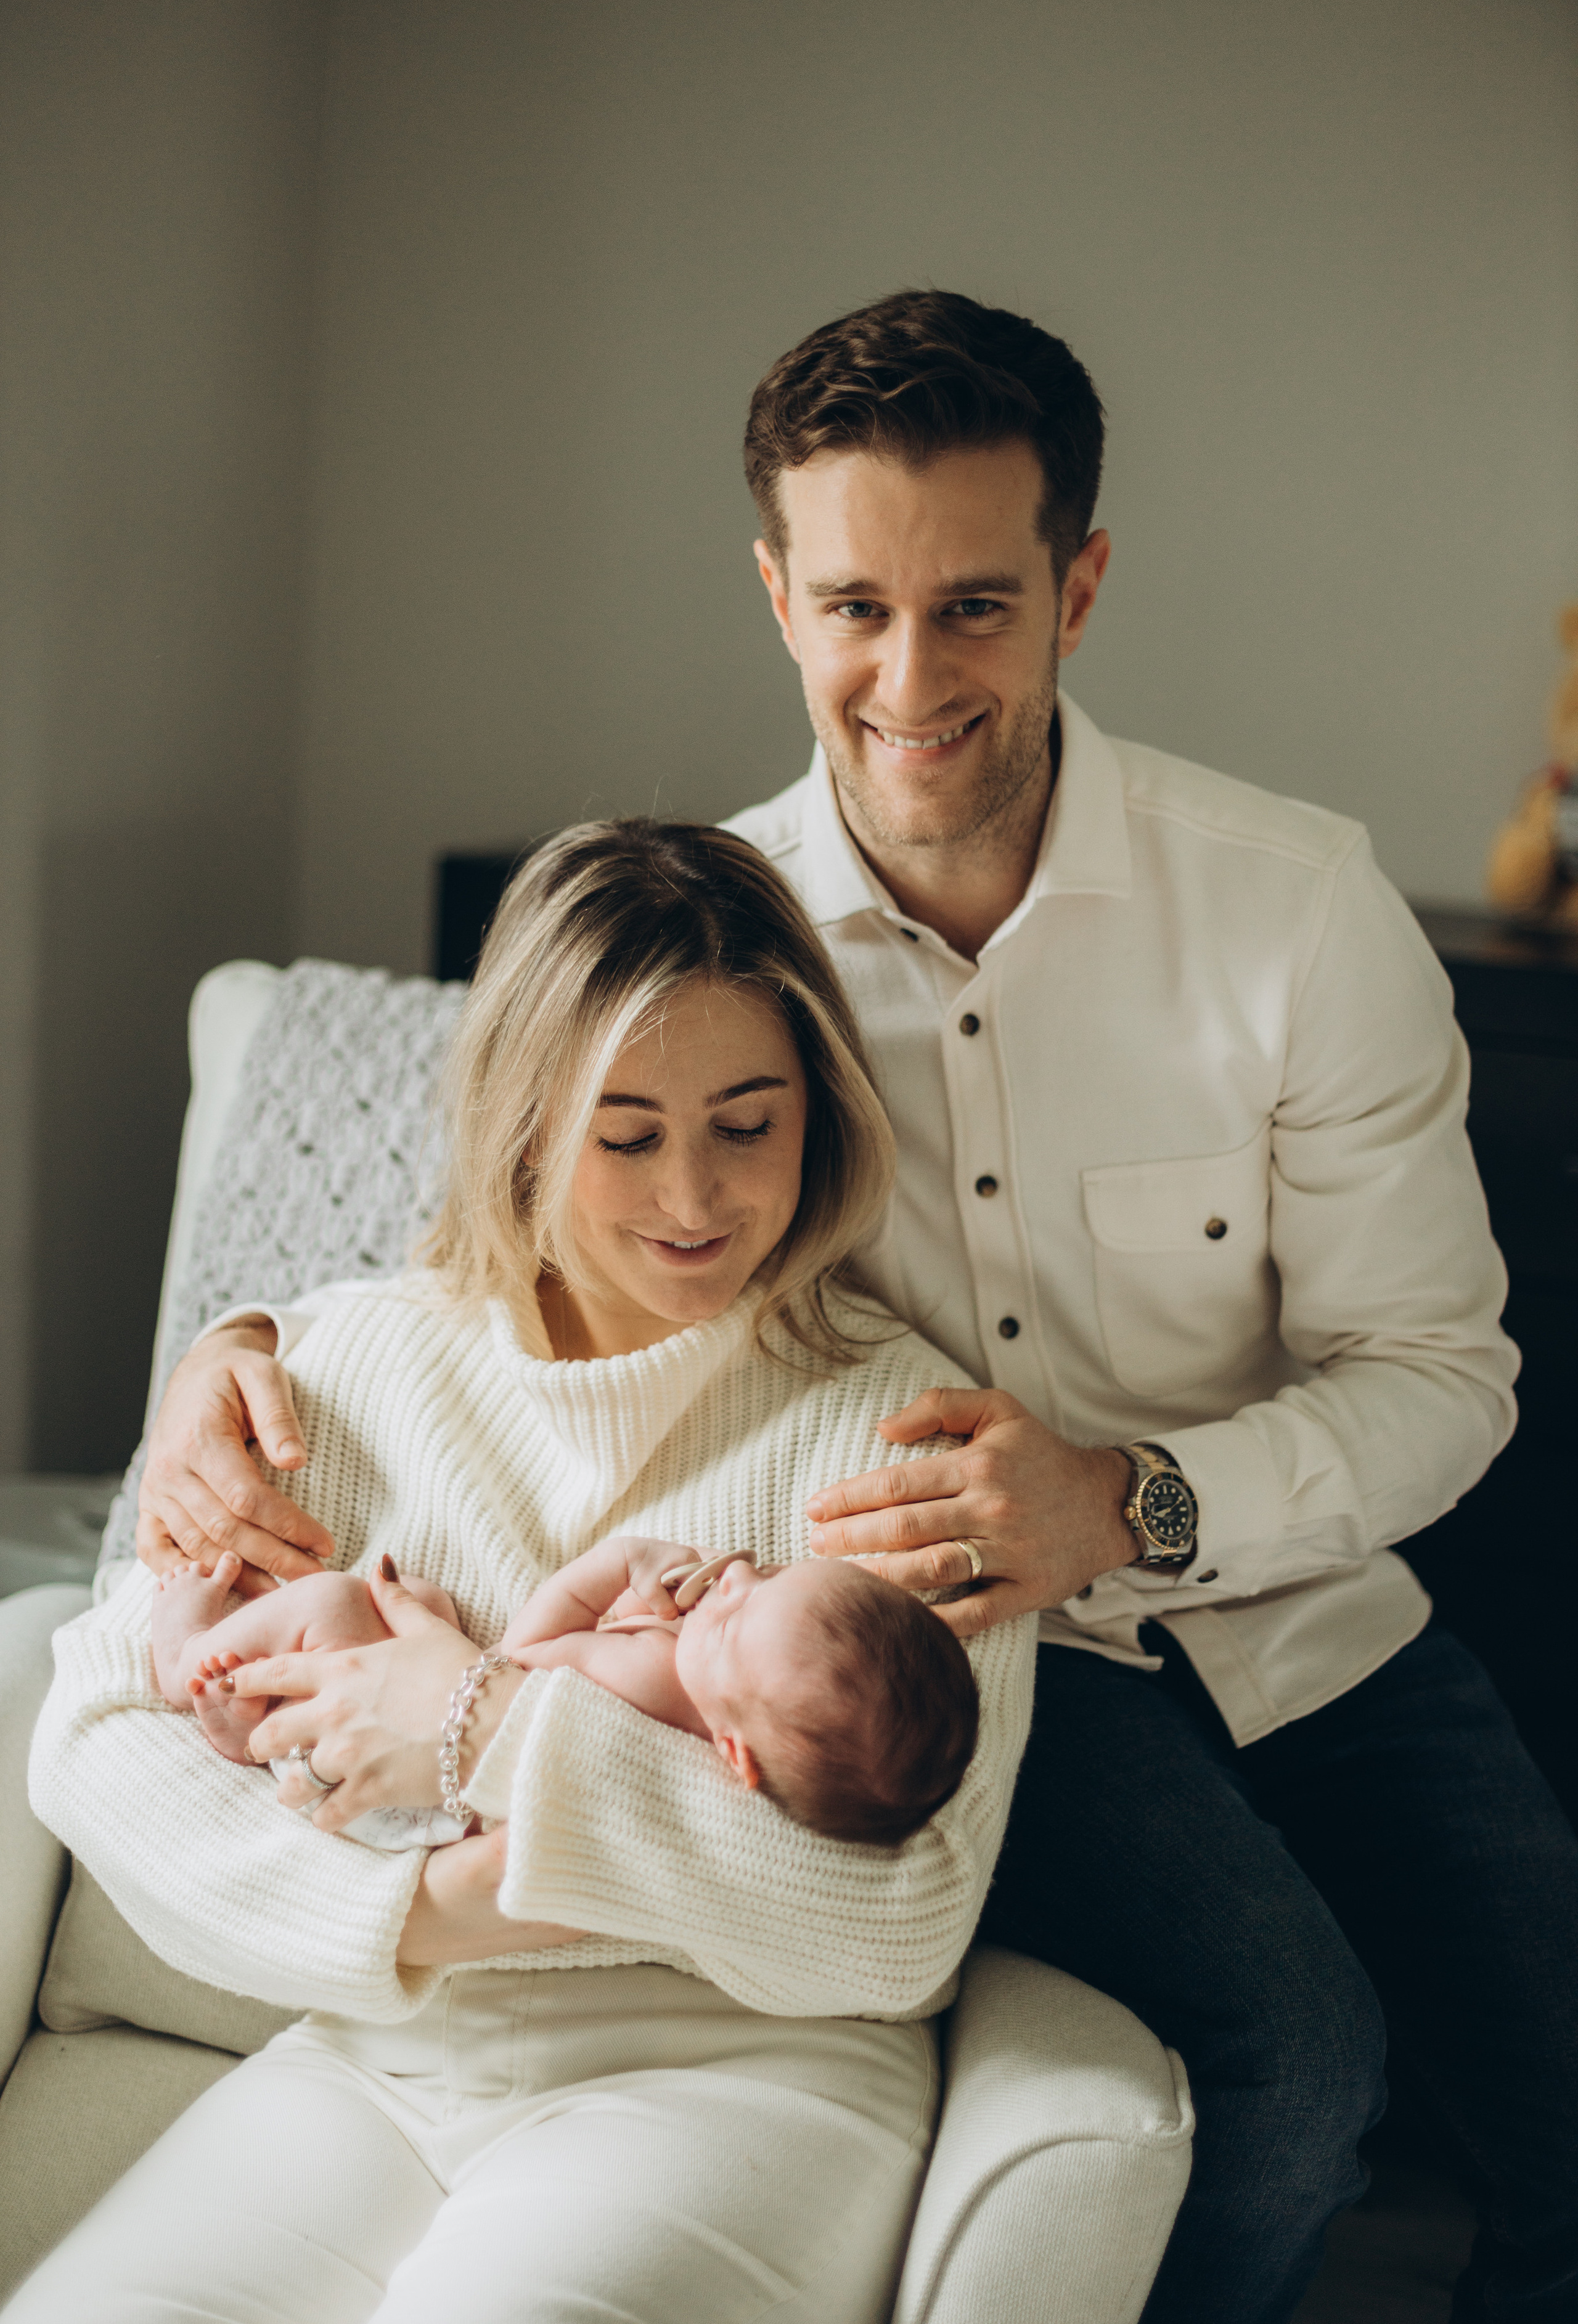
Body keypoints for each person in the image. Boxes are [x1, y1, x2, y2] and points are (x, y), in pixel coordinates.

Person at [136, 289, 1578, 2323]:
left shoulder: (1294, 909)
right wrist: (232, 1355)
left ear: (1079, 587)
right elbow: (487, 1227)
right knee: (1298, 2076)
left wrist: (1133, 1502)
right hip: (959, 1666)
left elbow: (1444, 1381)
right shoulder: (715, 922)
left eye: (976, 606)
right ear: (778, 594)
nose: (910, 679)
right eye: (854, 608)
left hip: (1307, 1596)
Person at [14, 819, 1039, 2324]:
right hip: (382, 2046)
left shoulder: (897, 1442)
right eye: (624, 1136)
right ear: (520, 1125)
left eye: (746, 1124)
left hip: (741, 2076)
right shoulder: (340, 1368)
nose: (693, 1198)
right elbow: (97, 1740)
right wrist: (434, 1910)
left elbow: (896, 1920)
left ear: (817, 1111)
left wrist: (478, 1718)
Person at [151, 1531, 979, 1848]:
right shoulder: (710, 1717)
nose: (728, 1584)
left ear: (736, 1752)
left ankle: (188, 1657)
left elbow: (518, 1657)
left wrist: (617, 1569)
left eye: (731, 1622)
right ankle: (254, 1709)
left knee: (340, 1604)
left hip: (408, 1797)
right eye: (763, 1580)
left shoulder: (651, 1677)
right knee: (424, 1607)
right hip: (426, 1791)